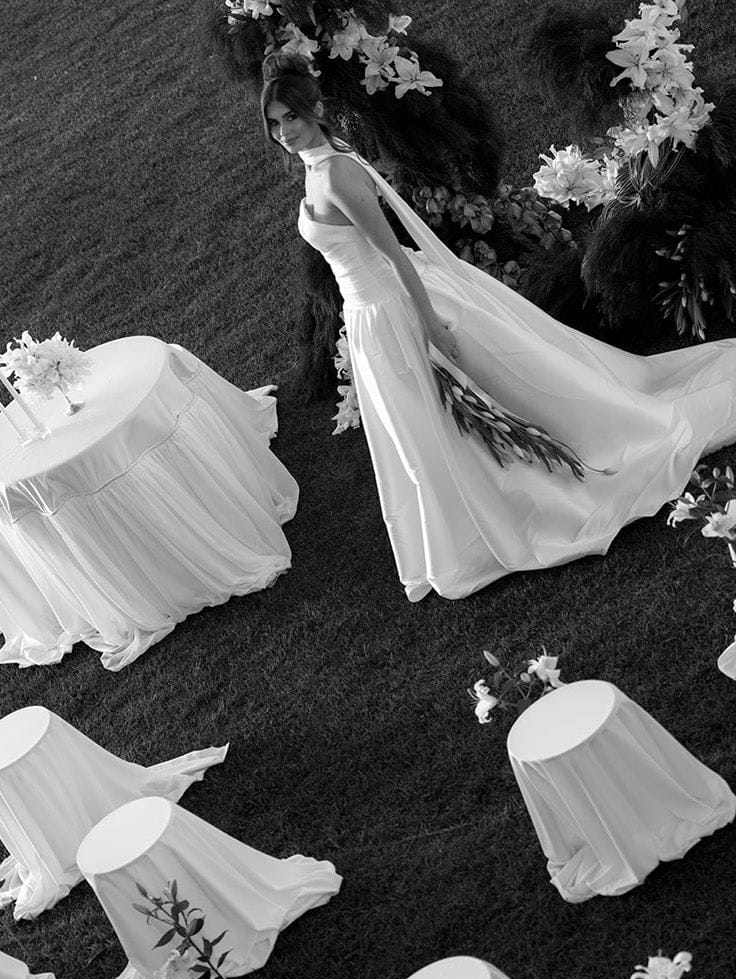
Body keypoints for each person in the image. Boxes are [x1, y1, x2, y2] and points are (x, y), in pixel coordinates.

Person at [261, 51, 736, 601]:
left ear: (315, 110)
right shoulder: (322, 167)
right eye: (274, 124)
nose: (284, 132)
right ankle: (468, 520)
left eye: (290, 117)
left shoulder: (338, 172)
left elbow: (391, 255)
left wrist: (429, 324)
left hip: (392, 309)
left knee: (450, 410)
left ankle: (528, 496)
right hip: (369, 313)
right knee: (422, 431)